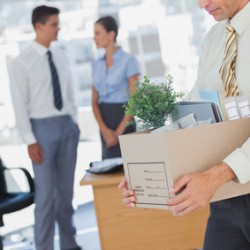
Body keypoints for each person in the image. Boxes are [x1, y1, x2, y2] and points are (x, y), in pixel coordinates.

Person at [119, 0, 250, 249]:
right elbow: (194, 111)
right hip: (227, 196)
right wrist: (148, 177)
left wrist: (217, 175)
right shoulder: (214, 38)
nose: (202, 4)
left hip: (223, 177)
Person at [9, 5, 81, 250]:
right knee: (46, 197)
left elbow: (70, 94)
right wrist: (30, 140)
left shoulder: (61, 55)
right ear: (39, 26)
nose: (58, 28)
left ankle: (70, 244)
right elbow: (19, 104)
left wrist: (75, 123)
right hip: (42, 132)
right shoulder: (21, 62)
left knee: (65, 196)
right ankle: (44, 247)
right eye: (54, 24)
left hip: (67, 128)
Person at [91, 15, 140, 160]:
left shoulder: (128, 61)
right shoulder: (96, 64)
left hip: (124, 120)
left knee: (130, 167)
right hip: (104, 122)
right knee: (109, 170)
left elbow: (134, 99)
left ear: (111, 34)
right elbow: (93, 102)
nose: (94, 38)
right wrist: (105, 131)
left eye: (97, 33)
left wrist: (118, 133)